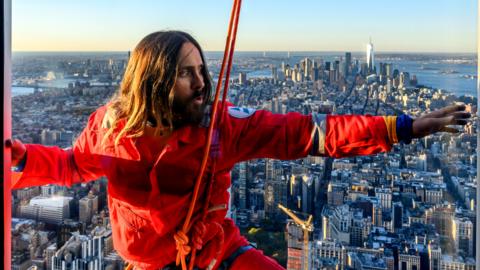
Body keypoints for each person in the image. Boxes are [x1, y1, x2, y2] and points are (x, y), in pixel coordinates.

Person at [9, 31, 471, 270]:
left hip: (217, 255)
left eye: (202, 69)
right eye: (187, 73)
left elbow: (309, 134)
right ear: (154, 81)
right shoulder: (112, 127)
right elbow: (69, 165)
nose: (203, 82)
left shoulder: (220, 126)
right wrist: (15, 160)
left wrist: (405, 126)